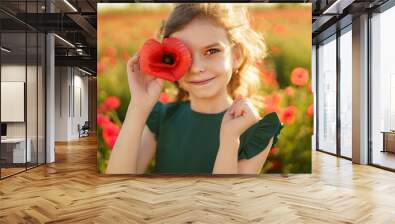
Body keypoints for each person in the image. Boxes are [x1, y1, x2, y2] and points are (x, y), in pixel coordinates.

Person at [105, 3, 283, 174]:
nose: (197, 67)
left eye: (212, 51)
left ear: (236, 55)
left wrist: (230, 141)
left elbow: (227, 201)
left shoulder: (255, 131)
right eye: (185, 55)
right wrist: (139, 105)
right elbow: (117, 187)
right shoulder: (161, 118)